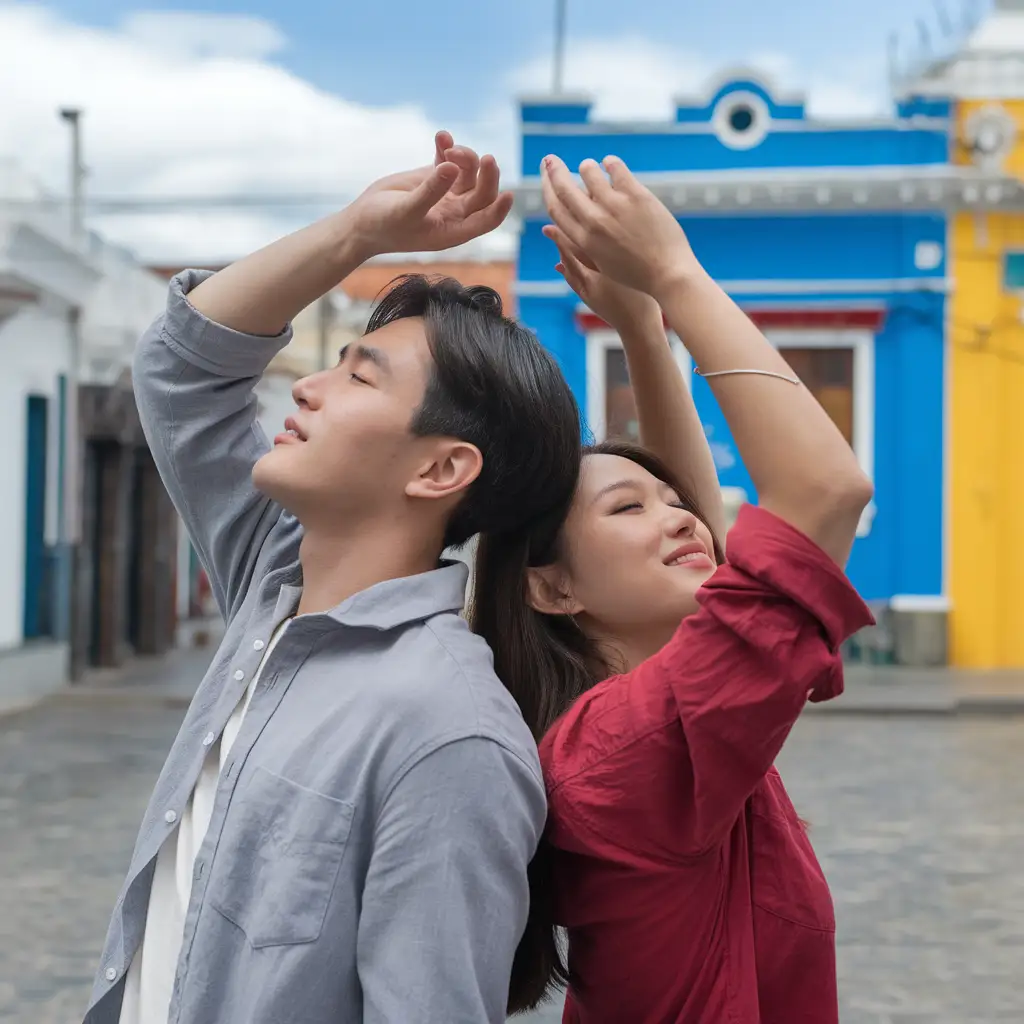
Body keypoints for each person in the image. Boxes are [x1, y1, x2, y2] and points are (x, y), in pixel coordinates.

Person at [82, 134, 582, 1024]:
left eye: (358, 375)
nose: (306, 388)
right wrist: (357, 232)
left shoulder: (449, 734)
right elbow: (183, 366)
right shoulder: (273, 582)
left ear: (439, 471)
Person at [472, 153, 876, 1024]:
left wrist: (643, 331)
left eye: (676, 502)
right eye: (627, 507)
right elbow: (825, 493)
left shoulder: (644, 717)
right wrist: (676, 275)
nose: (686, 519)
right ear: (551, 589)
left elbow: (708, 533)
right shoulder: (631, 749)